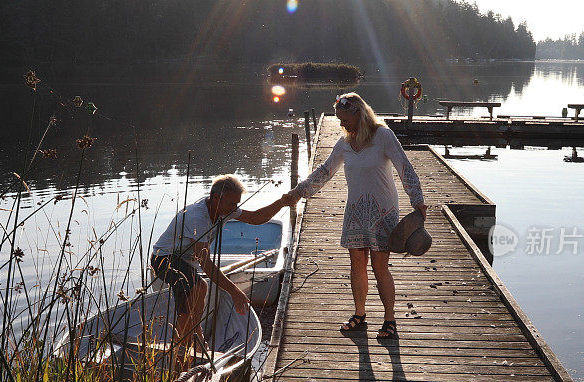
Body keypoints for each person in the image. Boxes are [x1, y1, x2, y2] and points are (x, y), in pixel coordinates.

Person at [288, 93, 427, 339]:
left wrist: (417, 199)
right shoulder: (344, 143)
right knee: (357, 265)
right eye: (339, 120)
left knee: (380, 266)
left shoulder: (383, 136)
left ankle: (389, 319)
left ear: (358, 114)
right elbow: (325, 171)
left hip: (383, 210)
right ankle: (360, 314)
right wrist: (299, 192)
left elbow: (404, 166)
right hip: (355, 211)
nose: (341, 125)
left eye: (344, 119)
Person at [151, 174, 296, 340]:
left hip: (184, 262)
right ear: (215, 197)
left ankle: (194, 339)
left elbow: (255, 218)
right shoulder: (197, 217)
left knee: (196, 292)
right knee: (198, 288)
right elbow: (204, 262)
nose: (235, 208)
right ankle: (181, 346)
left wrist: (281, 203)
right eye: (232, 203)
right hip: (164, 259)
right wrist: (234, 291)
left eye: (237, 203)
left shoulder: (223, 209)